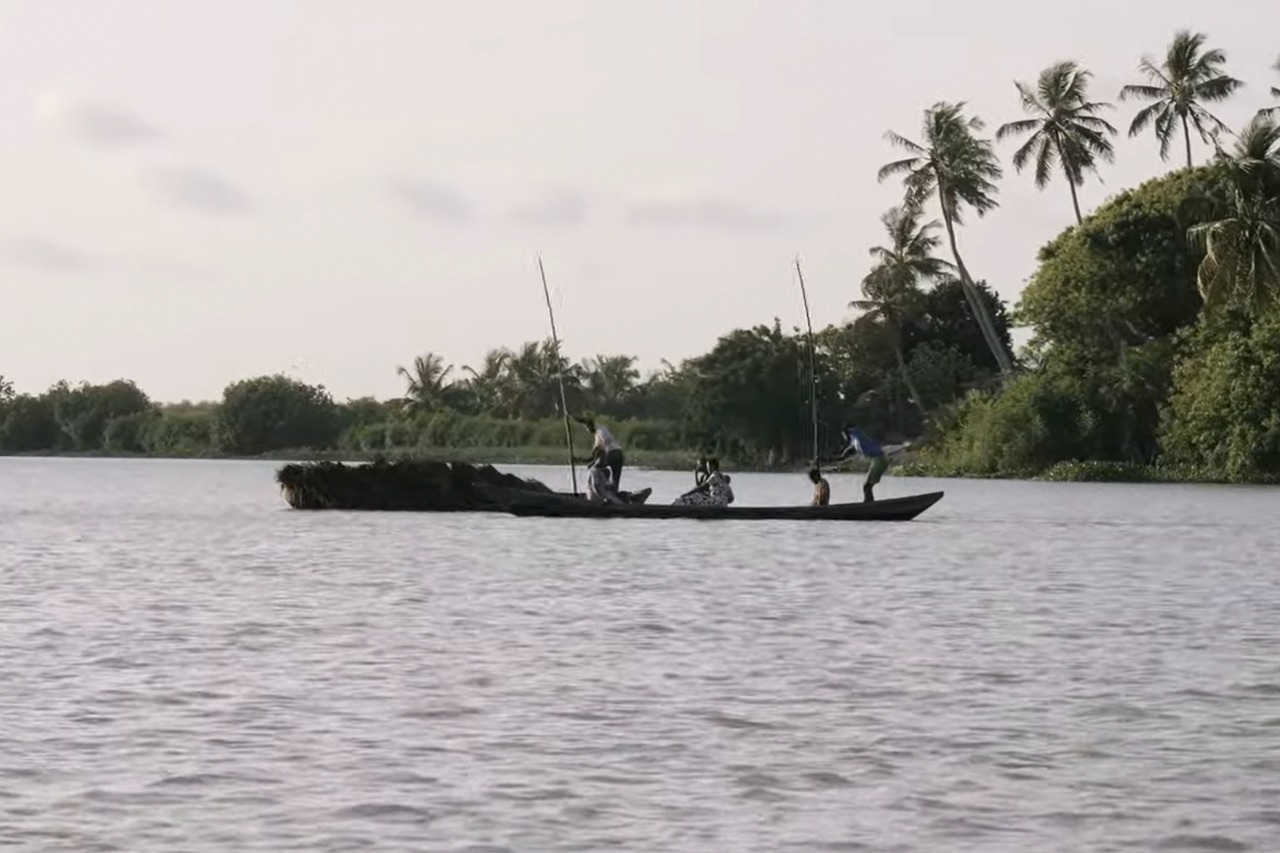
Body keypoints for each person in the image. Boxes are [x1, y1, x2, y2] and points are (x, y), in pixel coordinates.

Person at [837, 425, 888, 502]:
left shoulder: (857, 435)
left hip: (879, 460)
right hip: (878, 460)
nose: (844, 438)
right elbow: (848, 452)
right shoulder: (855, 442)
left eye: (843, 435)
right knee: (867, 486)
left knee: (866, 486)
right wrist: (839, 457)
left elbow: (855, 432)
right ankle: (870, 503)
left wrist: (847, 431)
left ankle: (869, 504)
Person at [576, 416, 625, 490]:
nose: (587, 430)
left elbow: (599, 453)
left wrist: (593, 463)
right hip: (619, 454)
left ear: (590, 425)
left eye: (587, 428)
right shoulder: (601, 429)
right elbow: (595, 456)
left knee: (594, 469)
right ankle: (613, 492)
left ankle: (600, 488)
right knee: (615, 480)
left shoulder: (600, 433)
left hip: (612, 453)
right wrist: (581, 460)